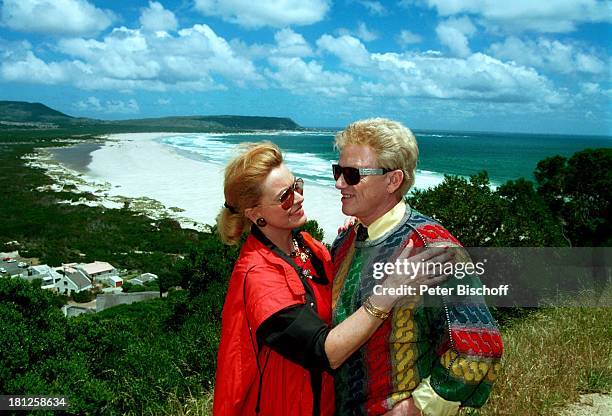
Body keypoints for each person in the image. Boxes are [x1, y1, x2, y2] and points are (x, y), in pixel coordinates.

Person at [213, 142, 453, 416]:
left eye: (298, 186)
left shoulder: (307, 247)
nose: (299, 198)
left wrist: (353, 242)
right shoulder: (258, 275)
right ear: (256, 215)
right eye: (285, 197)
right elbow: (325, 352)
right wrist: (389, 292)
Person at [331, 119, 503, 416]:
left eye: (352, 175)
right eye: (338, 171)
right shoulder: (347, 240)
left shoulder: (432, 248)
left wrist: (416, 408)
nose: (339, 184)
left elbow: (480, 347)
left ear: (393, 180)